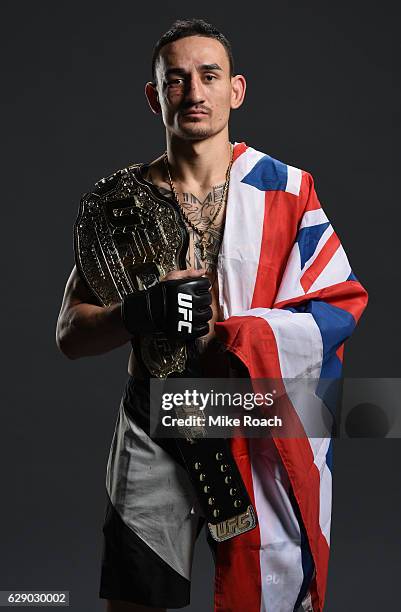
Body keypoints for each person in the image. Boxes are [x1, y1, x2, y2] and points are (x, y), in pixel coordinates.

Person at [56, 18, 368, 612]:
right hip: (157, 415)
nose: (194, 92)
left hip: (249, 414)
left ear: (236, 89)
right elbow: (69, 336)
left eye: (209, 76)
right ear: (155, 96)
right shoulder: (119, 205)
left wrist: (245, 337)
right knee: (136, 598)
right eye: (176, 80)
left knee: (267, 592)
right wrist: (138, 312)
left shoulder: (287, 190)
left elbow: (340, 301)